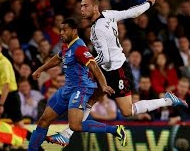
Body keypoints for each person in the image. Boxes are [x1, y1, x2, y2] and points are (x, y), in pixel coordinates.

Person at [48, 0, 188, 146]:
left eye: (85, 6)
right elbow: (132, 12)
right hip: (107, 70)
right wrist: (148, 3)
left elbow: (105, 57)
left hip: (117, 70)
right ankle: (67, 134)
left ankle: (167, 100)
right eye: (81, 6)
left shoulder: (97, 29)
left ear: (95, 7)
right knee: (90, 99)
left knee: (128, 111)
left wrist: (87, 64)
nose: (82, 9)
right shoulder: (108, 14)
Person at [28, 19, 126, 150]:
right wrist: (40, 69)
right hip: (67, 89)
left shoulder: (79, 47)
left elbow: (93, 66)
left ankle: (115, 130)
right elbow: (58, 57)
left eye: (64, 30)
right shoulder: (65, 44)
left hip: (80, 90)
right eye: (60, 30)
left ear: (74, 31)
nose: (61, 33)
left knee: (75, 125)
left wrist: (103, 85)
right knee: (44, 120)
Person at [0, 39, 41, 150]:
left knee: (20, 128)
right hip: (3, 96)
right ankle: (8, 138)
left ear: (0, 49)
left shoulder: (4, 63)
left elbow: (6, 85)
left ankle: (38, 148)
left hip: (10, 96)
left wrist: (1, 104)